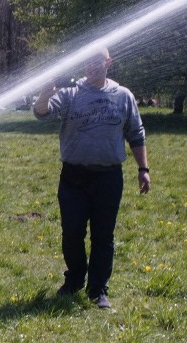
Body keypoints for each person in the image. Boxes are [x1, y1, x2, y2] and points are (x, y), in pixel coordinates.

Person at [33, 47, 151, 309]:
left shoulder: (123, 96)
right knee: (72, 233)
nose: (91, 66)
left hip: (108, 177)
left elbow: (136, 133)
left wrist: (143, 169)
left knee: (103, 235)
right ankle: (74, 279)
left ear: (108, 62)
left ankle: (97, 290)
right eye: (86, 61)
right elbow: (41, 113)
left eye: (96, 61)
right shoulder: (70, 94)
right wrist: (43, 94)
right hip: (74, 176)